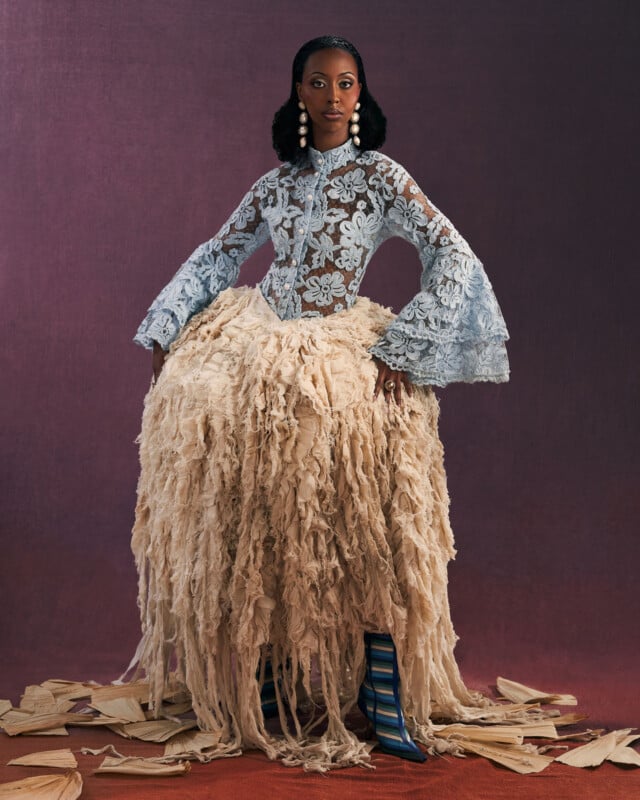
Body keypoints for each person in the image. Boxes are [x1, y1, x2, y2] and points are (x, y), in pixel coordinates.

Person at [130, 35, 511, 771]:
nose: (335, 98)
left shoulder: (380, 178)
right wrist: (168, 320)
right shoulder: (275, 185)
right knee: (256, 489)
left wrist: (409, 342)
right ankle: (269, 678)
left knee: (362, 505)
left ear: (361, 97)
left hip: (338, 342)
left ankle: (381, 689)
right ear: (298, 95)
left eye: (347, 85)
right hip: (260, 333)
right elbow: (220, 251)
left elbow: (452, 252)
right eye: (319, 83)